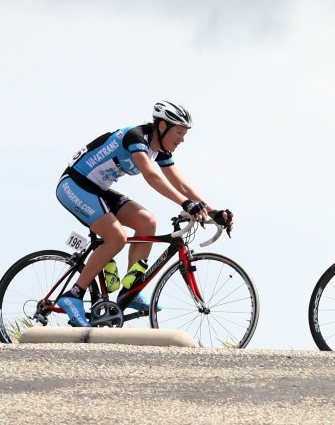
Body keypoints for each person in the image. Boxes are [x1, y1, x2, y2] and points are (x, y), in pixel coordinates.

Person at [54, 101, 233, 327]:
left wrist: (213, 211)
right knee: (116, 237)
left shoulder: (160, 149)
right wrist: (187, 204)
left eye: (184, 134)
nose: (182, 139)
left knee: (147, 221)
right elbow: (152, 176)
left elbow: (182, 185)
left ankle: (128, 291)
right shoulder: (136, 137)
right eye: (179, 132)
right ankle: (73, 295)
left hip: (98, 189)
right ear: (162, 126)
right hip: (74, 185)